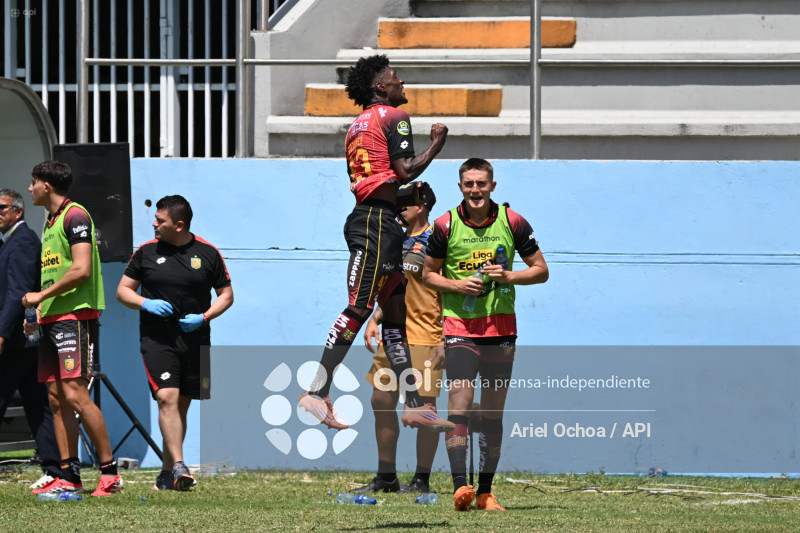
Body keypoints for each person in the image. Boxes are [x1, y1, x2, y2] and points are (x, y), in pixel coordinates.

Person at [298, 54, 453, 433]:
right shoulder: (392, 117)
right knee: (359, 307)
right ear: (380, 86)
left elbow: (378, 179)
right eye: (395, 77)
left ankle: (416, 405)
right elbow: (404, 170)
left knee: (394, 318)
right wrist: (437, 144)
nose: (402, 82)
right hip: (374, 225)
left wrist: (401, 196)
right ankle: (316, 391)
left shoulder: (357, 126)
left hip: (380, 220)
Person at [422, 158, 549, 511]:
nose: (475, 190)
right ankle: (460, 488)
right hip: (461, 328)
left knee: (493, 414)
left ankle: (485, 493)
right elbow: (428, 275)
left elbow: (541, 271)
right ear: (460, 186)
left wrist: (508, 277)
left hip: (502, 329)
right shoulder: (445, 224)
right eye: (469, 184)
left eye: (481, 183)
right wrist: (457, 284)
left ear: (493, 186)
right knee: (459, 404)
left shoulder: (513, 222)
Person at [116, 195, 233, 491]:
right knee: (166, 398)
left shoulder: (208, 253)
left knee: (181, 406)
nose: (154, 224)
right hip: (158, 340)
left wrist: (204, 317)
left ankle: (168, 475)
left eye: (160, 220)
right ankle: (181, 465)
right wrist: (145, 303)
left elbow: (227, 295)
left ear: (179, 225)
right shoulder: (145, 253)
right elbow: (123, 292)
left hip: (197, 340)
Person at [22, 160, 122, 497]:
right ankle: (69, 476)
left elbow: (80, 270)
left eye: (33, 183)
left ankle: (110, 475)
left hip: (75, 318)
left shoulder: (75, 215)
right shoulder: (49, 221)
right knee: (55, 399)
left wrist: (39, 295)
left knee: (77, 395)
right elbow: (56, 271)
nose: (31, 188)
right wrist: (36, 310)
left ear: (46, 185)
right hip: (51, 318)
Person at [356, 184, 444, 493]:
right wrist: (374, 319)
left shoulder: (438, 240)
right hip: (394, 334)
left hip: (426, 335)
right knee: (381, 400)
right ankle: (386, 477)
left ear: (421, 205)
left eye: (405, 202)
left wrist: (445, 336)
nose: (399, 206)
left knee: (425, 410)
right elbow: (393, 289)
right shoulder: (392, 240)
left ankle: (421, 479)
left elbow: (448, 292)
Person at [0, 188, 62, 489]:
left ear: (17, 211)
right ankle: (53, 467)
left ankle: (55, 467)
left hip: (15, 341)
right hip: (23, 343)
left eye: (1, 208)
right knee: (39, 406)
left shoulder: (22, 241)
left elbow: (18, 292)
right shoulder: (11, 241)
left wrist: (1, 331)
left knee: (36, 404)